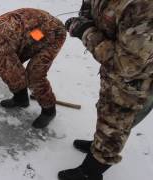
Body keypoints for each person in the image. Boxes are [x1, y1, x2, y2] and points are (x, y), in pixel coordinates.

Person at [58, 0, 153, 179]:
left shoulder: (144, 7)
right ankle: (98, 146)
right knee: (105, 111)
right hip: (112, 73)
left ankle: (90, 172)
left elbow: (127, 65)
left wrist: (85, 31)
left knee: (115, 126)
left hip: (135, 80)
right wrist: (87, 12)